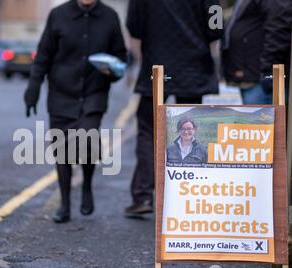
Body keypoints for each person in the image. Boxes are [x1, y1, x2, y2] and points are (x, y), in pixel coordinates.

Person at [24, 0, 127, 223]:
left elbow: (121, 57)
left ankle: (87, 185)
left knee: (88, 141)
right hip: (62, 94)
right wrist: (33, 87)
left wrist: (113, 70)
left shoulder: (110, 17)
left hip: (94, 93)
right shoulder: (58, 15)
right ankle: (64, 203)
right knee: (63, 150)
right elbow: (43, 56)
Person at [125, 0, 223, 217]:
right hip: (193, 67)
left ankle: (142, 195)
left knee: (148, 131)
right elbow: (216, 27)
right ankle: (184, 197)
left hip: (156, 63)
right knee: (190, 134)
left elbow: (134, 25)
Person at [222, 0, 292, 105]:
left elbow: (279, 30)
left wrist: (268, 74)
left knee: (263, 120)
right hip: (253, 77)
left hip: (262, 80)